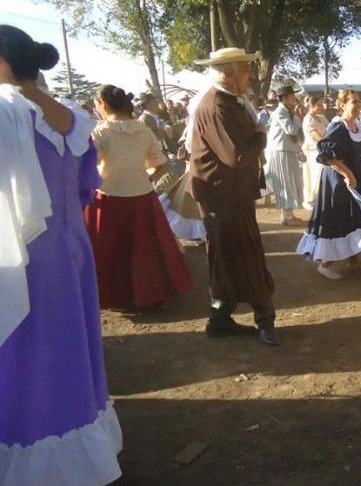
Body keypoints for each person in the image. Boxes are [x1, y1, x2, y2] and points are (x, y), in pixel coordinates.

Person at [0, 25, 122, 485]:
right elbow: (85, 187)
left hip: (24, 254)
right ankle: (80, 445)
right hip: (71, 247)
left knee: (27, 353)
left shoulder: (5, 111)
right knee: (71, 345)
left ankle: (35, 450)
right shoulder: (70, 114)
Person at [189, 47, 278, 346]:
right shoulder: (218, 106)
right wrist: (261, 136)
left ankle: (221, 319)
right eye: (246, 69)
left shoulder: (231, 102)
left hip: (229, 195)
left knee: (230, 255)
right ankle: (263, 318)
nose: (251, 74)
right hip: (220, 196)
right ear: (228, 73)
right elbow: (236, 155)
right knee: (239, 254)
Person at [84, 84, 192, 310]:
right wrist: (145, 178)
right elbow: (160, 163)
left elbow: (86, 164)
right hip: (142, 196)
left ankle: (117, 297)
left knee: (111, 251)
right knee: (145, 250)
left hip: (109, 198)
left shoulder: (101, 132)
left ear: (103, 105)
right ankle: (151, 294)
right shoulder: (143, 130)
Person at [297, 90, 361, 279]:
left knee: (356, 217)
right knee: (337, 218)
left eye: (359, 102)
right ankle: (325, 263)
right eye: (354, 102)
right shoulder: (338, 126)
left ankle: (353, 258)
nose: (358, 105)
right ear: (342, 105)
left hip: (354, 177)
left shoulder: (358, 125)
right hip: (337, 179)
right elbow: (327, 156)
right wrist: (348, 173)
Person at [265, 85, 306, 225]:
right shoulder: (281, 112)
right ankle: (287, 216)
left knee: (290, 182)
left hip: (287, 150)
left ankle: (288, 215)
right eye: (293, 96)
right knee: (285, 183)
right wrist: (298, 117)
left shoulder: (287, 111)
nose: (295, 98)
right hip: (280, 152)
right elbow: (291, 130)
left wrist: (298, 150)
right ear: (286, 97)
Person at [302, 96, 331, 209]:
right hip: (313, 151)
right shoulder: (308, 119)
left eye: (321, 104)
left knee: (322, 174)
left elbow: (330, 129)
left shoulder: (322, 117)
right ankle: (311, 199)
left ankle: (321, 199)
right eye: (318, 105)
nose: (320, 107)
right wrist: (327, 143)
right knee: (316, 175)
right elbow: (315, 135)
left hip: (324, 149)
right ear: (311, 106)